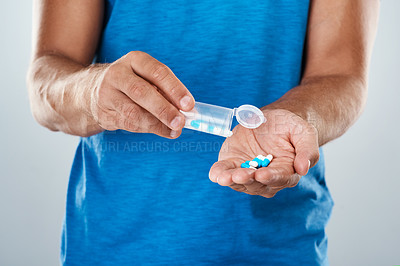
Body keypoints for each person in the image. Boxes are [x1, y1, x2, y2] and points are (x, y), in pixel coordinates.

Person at [27, 0, 379, 265]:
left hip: (275, 244)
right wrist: (90, 90)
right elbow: (45, 79)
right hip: (115, 242)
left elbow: (341, 74)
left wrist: (295, 117)